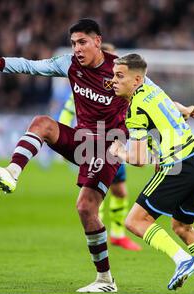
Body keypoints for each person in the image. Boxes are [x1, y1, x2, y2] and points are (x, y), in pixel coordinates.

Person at [0, 18, 194, 293]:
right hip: (81, 141)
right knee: (42, 123)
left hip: (109, 147)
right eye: (73, 43)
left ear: (97, 41)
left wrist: (183, 109)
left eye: (82, 42)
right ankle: (11, 173)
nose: (77, 49)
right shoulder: (69, 64)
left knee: (85, 208)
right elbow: (31, 66)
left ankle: (105, 280)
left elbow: (156, 96)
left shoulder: (119, 71)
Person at [108, 54, 194, 294]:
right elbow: (171, 103)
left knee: (135, 221)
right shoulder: (152, 88)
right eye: (114, 75)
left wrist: (119, 151)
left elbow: (138, 159)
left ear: (136, 80)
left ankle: (182, 260)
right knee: (182, 227)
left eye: (119, 76)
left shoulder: (135, 108)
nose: (113, 80)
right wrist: (186, 109)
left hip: (179, 166)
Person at [58, 43, 140, 251]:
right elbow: (66, 113)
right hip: (92, 143)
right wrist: (65, 139)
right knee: (95, 194)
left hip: (115, 144)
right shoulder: (82, 90)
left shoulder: (123, 90)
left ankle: (118, 235)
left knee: (120, 191)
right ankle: (96, 226)